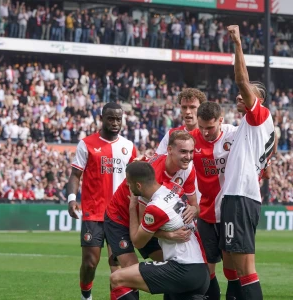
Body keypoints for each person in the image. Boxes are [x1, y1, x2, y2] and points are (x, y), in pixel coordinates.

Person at [219, 25, 275, 300]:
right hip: (239, 196)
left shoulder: (260, 115)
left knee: (245, 269)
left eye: (247, 93)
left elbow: (242, 80)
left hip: (240, 197)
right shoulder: (252, 128)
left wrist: (238, 44)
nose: (240, 95)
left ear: (259, 99)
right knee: (229, 262)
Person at [110, 161, 210, 300]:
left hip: (183, 268)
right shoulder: (170, 192)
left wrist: (133, 206)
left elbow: (138, 242)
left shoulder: (155, 208)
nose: (128, 186)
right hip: (199, 269)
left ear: (138, 185)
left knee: (117, 278)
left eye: (129, 183)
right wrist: (167, 234)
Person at [67, 102, 137, 300]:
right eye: (111, 118)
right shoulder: (86, 143)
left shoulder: (128, 147)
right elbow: (75, 175)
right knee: (90, 262)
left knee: (118, 263)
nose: (115, 123)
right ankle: (86, 296)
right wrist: (72, 199)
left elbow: (134, 180)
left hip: (119, 214)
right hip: (93, 212)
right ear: (102, 119)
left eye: (118, 119)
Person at [105, 130, 198, 268]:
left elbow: (195, 205)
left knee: (170, 265)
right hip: (120, 216)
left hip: (149, 222)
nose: (188, 157)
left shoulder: (188, 169)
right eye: (183, 152)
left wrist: (194, 209)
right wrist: (170, 235)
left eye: (191, 152)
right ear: (170, 150)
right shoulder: (153, 175)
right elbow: (143, 225)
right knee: (127, 273)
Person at [190, 102, 241, 300]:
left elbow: (264, 136)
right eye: (201, 127)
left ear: (221, 121)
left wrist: (266, 164)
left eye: (209, 127)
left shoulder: (234, 134)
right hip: (206, 211)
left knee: (231, 262)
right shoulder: (192, 139)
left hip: (230, 210)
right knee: (207, 263)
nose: (204, 132)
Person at [155, 88, 207, 155]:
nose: (187, 112)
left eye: (192, 107)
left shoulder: (210, 135)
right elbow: (156, 159)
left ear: (201, 109)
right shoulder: (171, 134)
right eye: (184, 107)